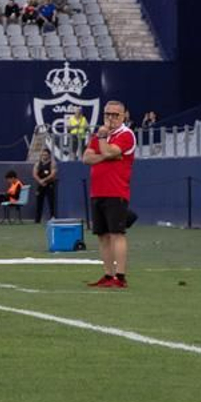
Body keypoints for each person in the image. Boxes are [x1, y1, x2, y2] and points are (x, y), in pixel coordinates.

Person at [83, 100, 136, 289]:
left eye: (115, 115)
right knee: (102, 235)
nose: (111, 118)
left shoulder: (126, 135)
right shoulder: (101, 134)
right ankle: (108, 274)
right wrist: (105, 155)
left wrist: (103, 143)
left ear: (124, 116)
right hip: (98, 190)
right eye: (107, 114)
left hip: (116, 190)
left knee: (117, 234)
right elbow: (87, 157)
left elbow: (106, 150)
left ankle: (120, 277)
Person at [31, 148, 59, 223]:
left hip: (49, 184)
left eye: (46, 155)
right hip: (40, 185)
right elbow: (34, 173)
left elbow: (53, 174)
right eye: (43, 155)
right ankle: (37, 219)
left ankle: (53, 218)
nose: (44, 156)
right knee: (39, 202)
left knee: (51, 202)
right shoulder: (38, 163)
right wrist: (40, 181)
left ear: (49, 155)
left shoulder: (52, 163)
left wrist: (44, 180)